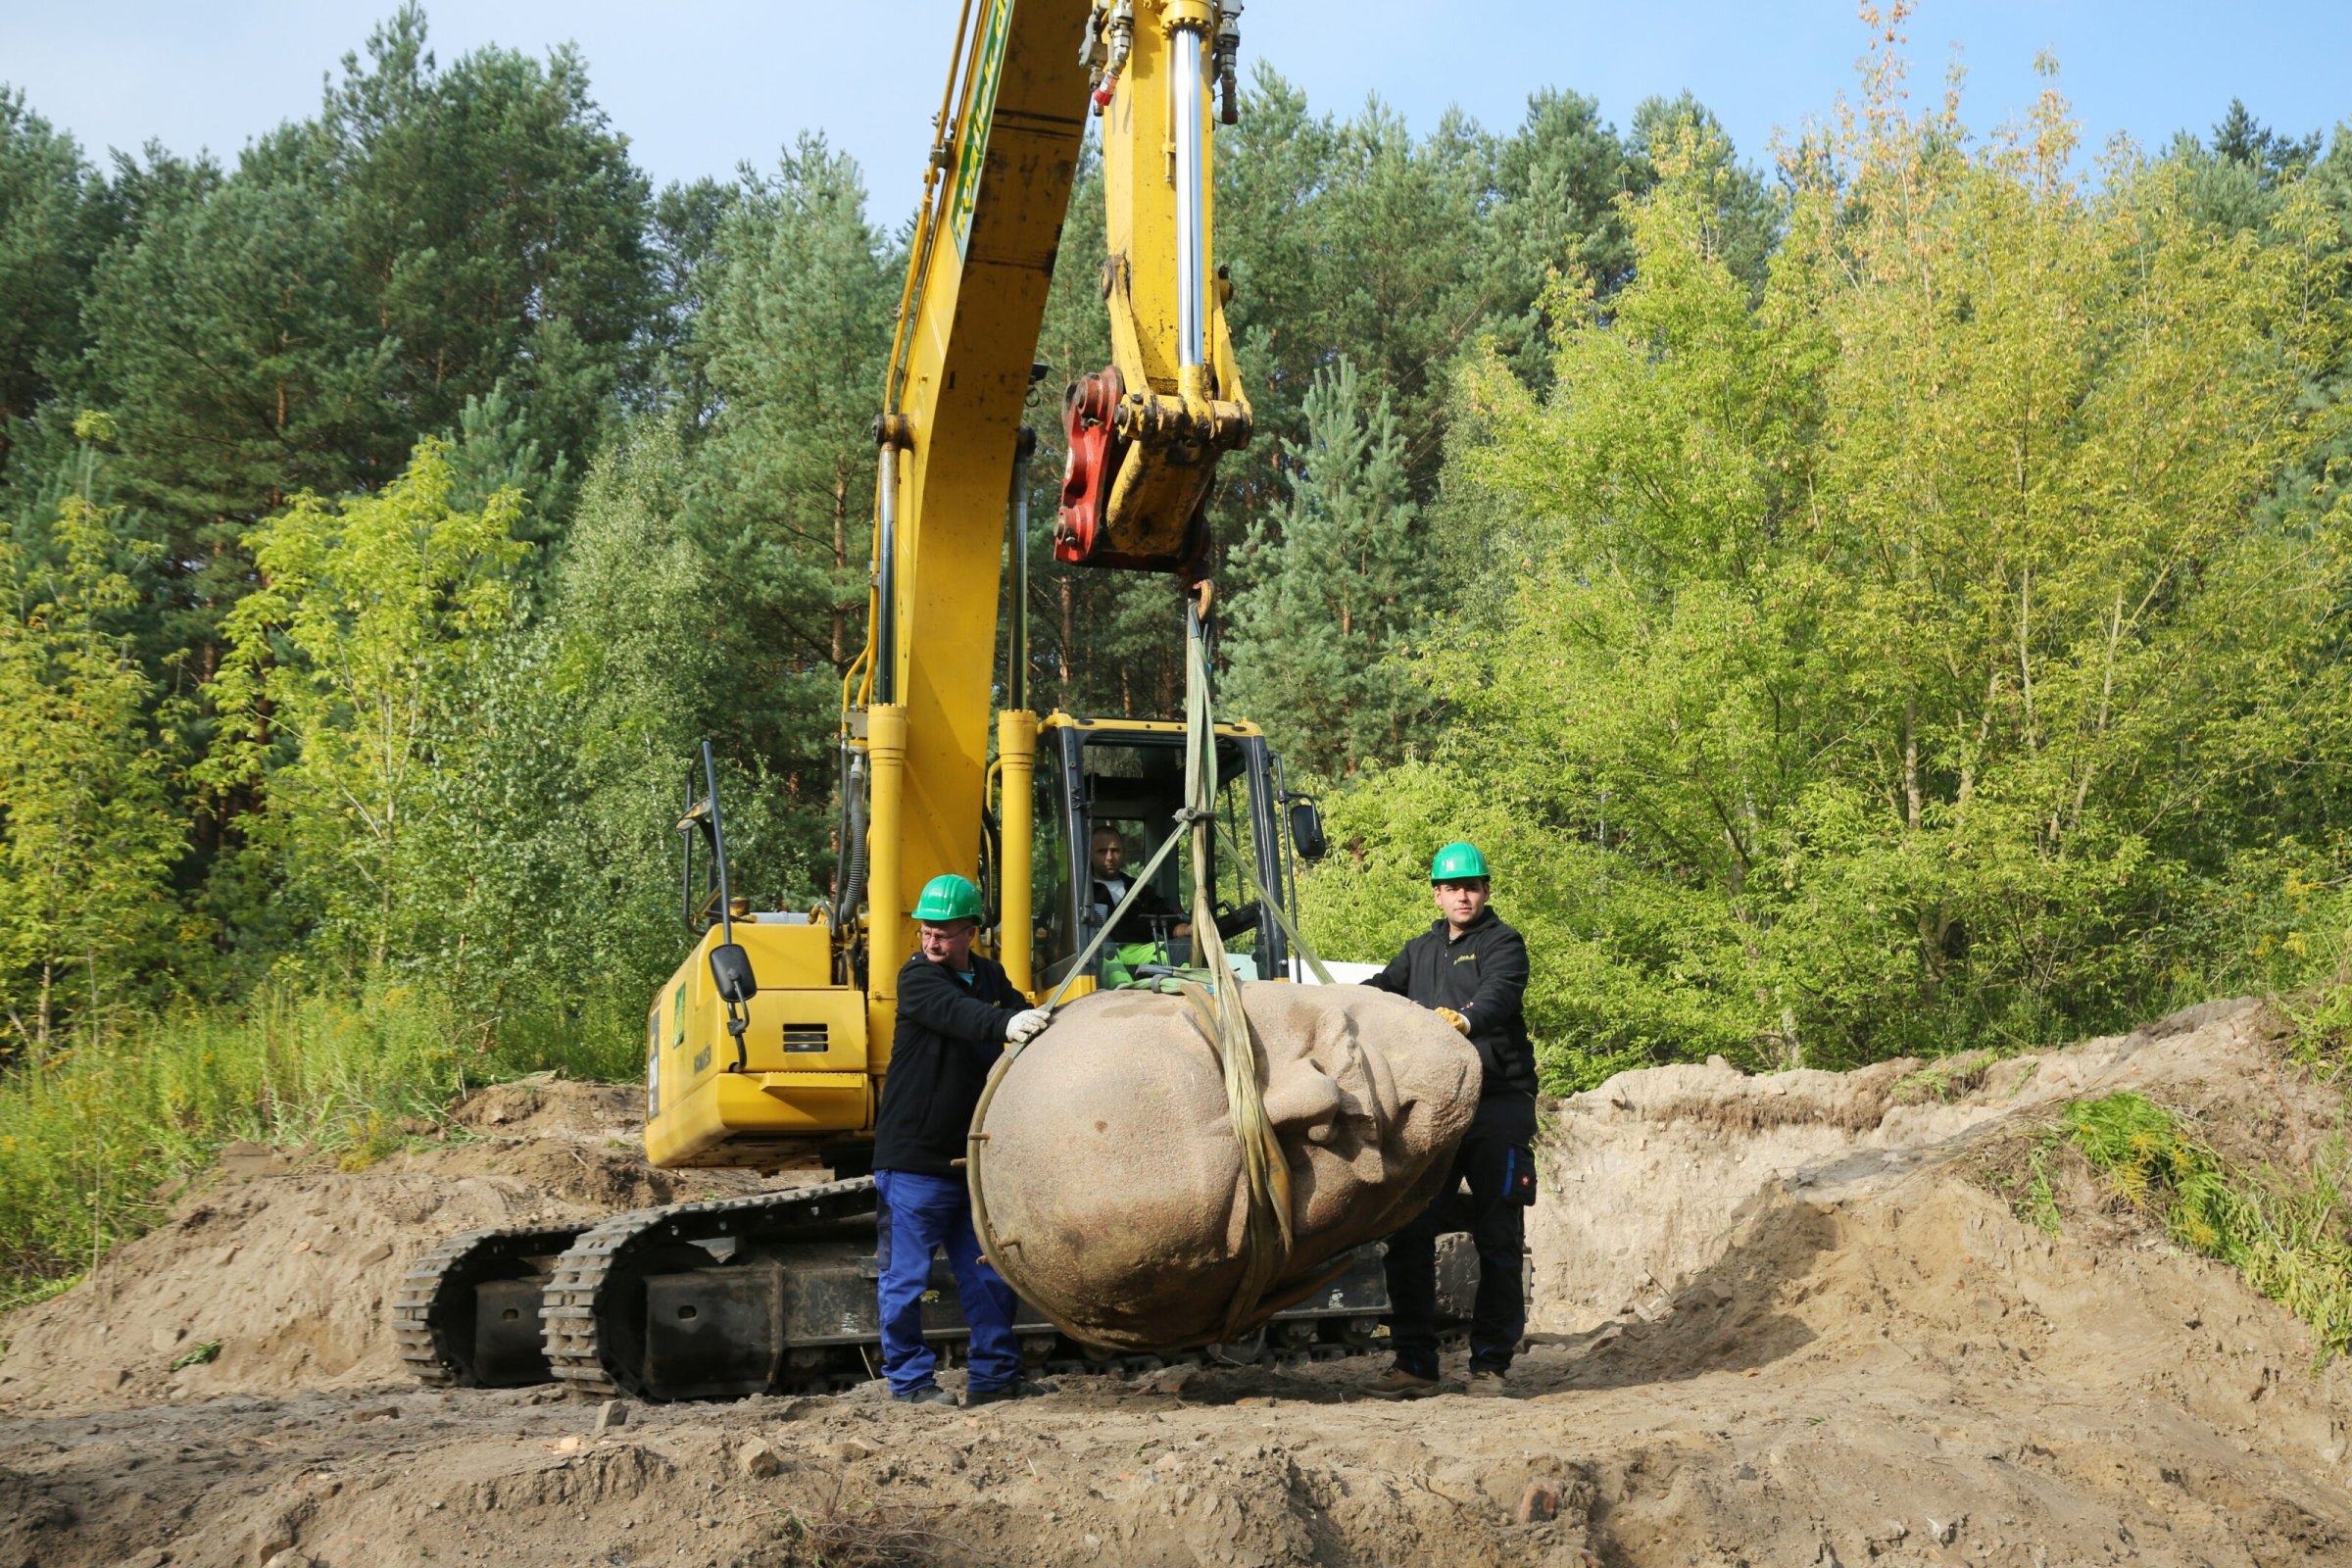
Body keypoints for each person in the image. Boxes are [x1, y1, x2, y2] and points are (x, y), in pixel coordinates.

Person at [1359, 841, 1537, 1399]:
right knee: (1408, 1231)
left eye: (1473, 885)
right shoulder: (1420, 951)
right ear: (1437, 894)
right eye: (1453, 887)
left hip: (1496, 1104)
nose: (1464, 894)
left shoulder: (1503, 943)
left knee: (1497, 1236)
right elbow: (1376, 996)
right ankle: (1415, 1363)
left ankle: (1490, 1366)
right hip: (1434, 1109)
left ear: (1485, 891)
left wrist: (1463, 1019)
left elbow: (1500, 996)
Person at [871, 873, 1053, 1407]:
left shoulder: (990, 976)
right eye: (925, 931)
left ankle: (994, 1379)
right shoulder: (917, 980)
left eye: (943, 933)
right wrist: (1008, 1023)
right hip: (913, 1163)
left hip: (970, 1161)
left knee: (991, 1276)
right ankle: (909, 1384)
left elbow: (1027, 1015)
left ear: (971, 932)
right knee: (905, 1283)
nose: (931, 942)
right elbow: (965, 1017)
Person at [1087, 824, 1189, 946]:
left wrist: (1187, 929)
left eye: (1115, 851)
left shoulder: (1141, 890)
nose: (1109, 857)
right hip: (1095, 960)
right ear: (1090, 854)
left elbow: (1170, 923)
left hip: (1143, 961)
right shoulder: (1082, 892)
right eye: (1102, 851)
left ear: (1124, 853)